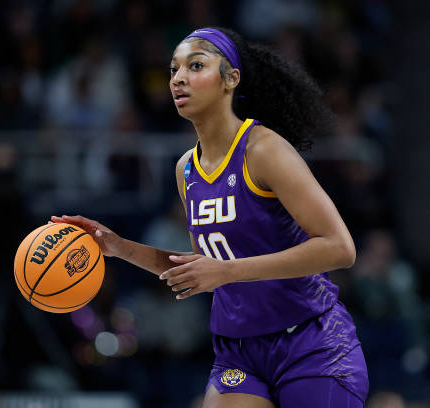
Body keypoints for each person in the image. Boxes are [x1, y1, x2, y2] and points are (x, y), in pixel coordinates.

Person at [52, 27, 368, 408]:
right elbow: (201, 269)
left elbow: (340, 248)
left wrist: (228, 272)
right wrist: (119, 247)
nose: (178, 78)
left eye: (196, 65)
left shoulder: (265, 149)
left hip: (310, 342)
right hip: (238, 351)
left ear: (231, 79)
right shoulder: (186, 169)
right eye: (173, 70)